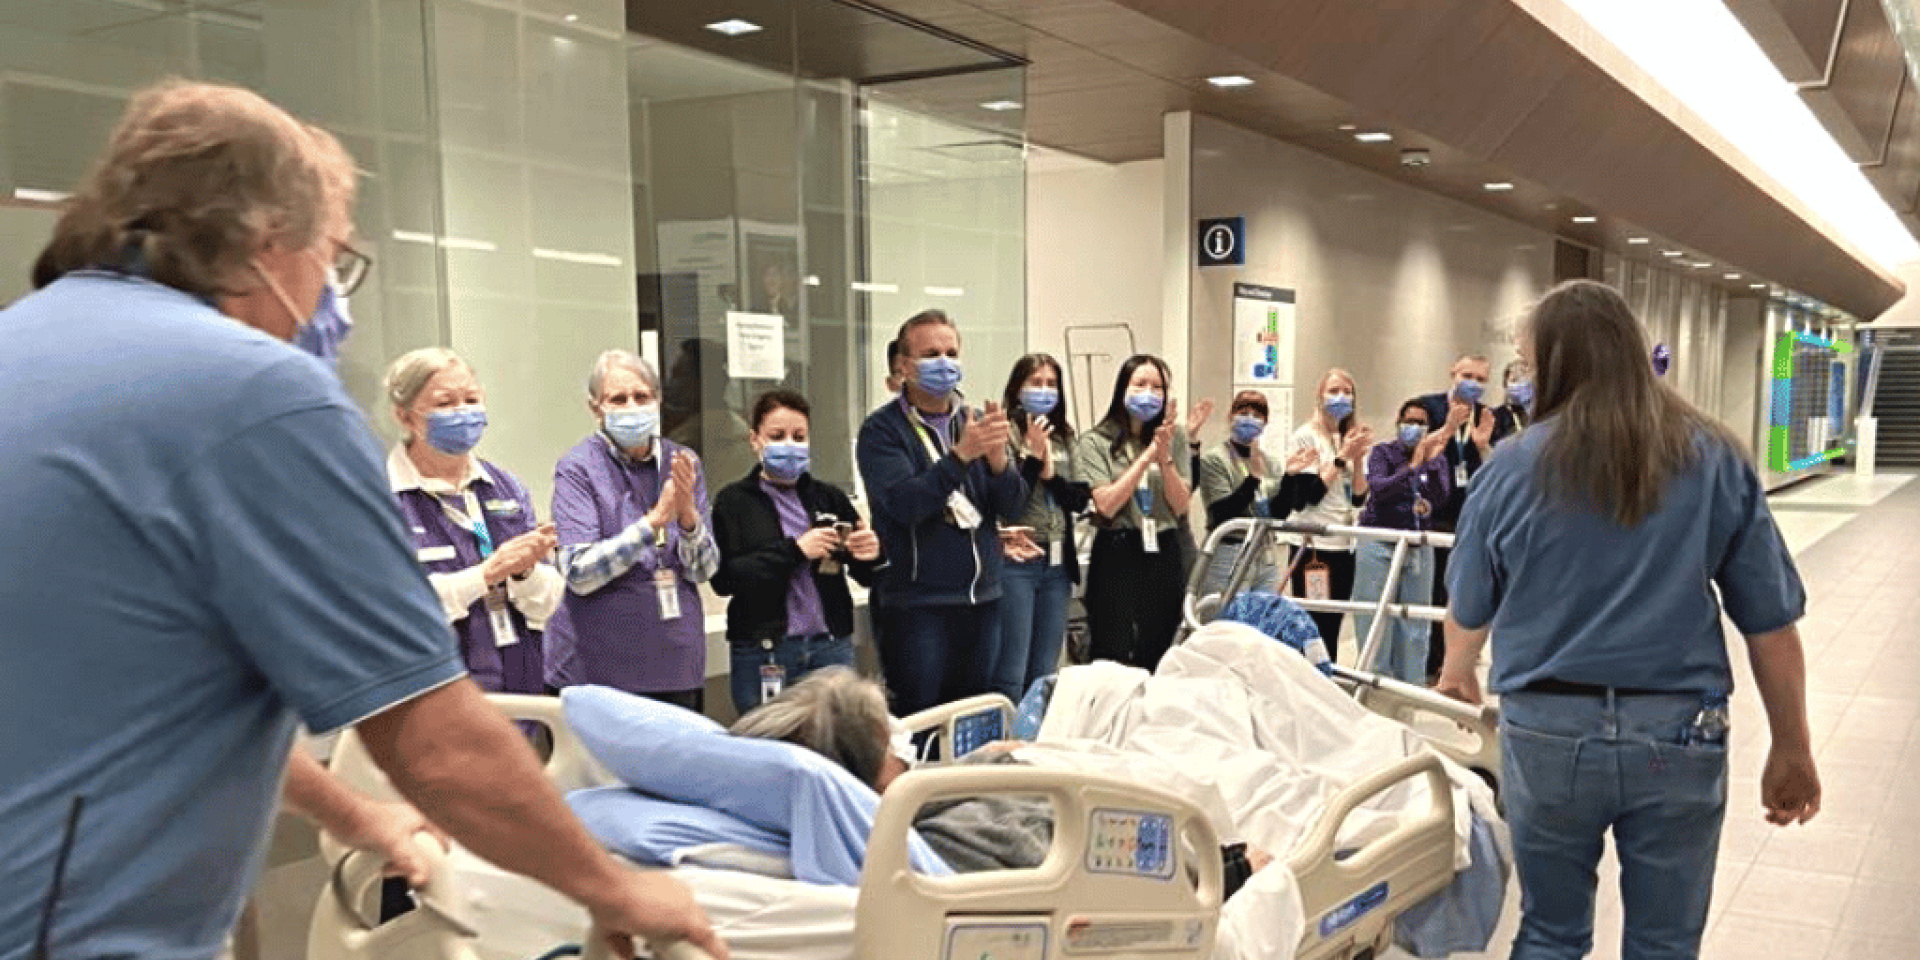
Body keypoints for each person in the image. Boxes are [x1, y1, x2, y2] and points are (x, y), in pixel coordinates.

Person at [0, 80, 722, 960]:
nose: (334, 299)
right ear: (270, 242)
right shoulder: (252, 394)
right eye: (335, 258)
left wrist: (364, 818)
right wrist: (615, 889)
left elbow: (143, 695)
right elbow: (430, 736)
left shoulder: (28, 346)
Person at [1437, 280, 1819, 960]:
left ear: (1552, 363)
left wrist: (1457, 672)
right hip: (1679, 733)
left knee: (1551, 933)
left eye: (1525, 363)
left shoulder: (1509, 469)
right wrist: (1792, 745)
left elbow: (1469, 606)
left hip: (1549, 733)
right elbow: (1770, 623)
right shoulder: (1714, 454)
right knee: (1666, 944)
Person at [731, 667, 1270, 895]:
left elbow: (928, 790)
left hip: (1059, 770)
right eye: (887, 736)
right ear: (864, 773)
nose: (902, 743)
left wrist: (990, 757)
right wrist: (1232, 871)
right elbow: (1114, 878)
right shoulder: (958, 835)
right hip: (1154, 839)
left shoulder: (910, 802)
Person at [856, 309, 1027, 713]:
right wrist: (962, 456)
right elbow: (905, 504)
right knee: (921, 721)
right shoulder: (882, 430)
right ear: (904, 365)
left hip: (981, 600)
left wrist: (1000, 461)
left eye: (951, 352)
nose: (945, 363)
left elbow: (1013, 506)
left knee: (971, 720)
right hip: (918, 605)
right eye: (932, 354)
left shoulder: (977, 421)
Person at [382, 347, 563, 694]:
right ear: (405, 417)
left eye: (471, 399)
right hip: (432, 693)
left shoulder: (506, 488)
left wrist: (524, 571)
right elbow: (393, 610)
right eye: (445, 403)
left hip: (518, 684)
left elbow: (548, 602)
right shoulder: (381, 496)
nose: (462, 413)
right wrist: (486, 575)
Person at [550, 350, 720, 712]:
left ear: (658, 401)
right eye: (618, 399)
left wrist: (688, 519)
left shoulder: (683, 461)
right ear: (595, 407)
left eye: (641, 397)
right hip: (599, 669)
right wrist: (653, 522)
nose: (631, 407)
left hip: (675, 664)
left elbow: (704, 570)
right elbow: (579, 572)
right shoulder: (577, 468)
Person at [712, 389, 885, 716]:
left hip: (829, 648)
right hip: (766, 651)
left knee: (835, 744)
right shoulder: (734, 502)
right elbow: (725, 578)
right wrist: (795, 550)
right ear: (755, 440)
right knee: (768, 746)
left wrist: (871, 552)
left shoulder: (828, 497)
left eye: (799, 436)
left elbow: (866, 574)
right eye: (777, 436)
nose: (789, 445)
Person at [1076, 354, 1192, 670]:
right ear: (1122, 389)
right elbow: (1107, 504)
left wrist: (1164, 457)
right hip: (1118, 548)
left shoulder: (1175, 436)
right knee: (1113, 647)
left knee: (1160, 644)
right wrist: (1146, 458)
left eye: (1158, 387)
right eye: (1140, 384)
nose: (1149, 393)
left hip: (1164, 547)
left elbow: (1181, 505)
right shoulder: (1094, 441)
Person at [991, 354, 1094, 701]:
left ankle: (1037, 739)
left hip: (1057, 564)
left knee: (1047, 668)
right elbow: (1008, 501)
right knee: (1012, 667)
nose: (1044, 391)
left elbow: (1080, 498)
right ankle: (1008, 737)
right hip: (1016, 562)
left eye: (1051, 384)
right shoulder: (1004, 435)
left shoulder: (1065, 436)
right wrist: (1034, 459)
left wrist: (1051, 477)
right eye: (1035, 383)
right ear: (1016, 389)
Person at [1415, 353, 1506, 681]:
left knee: (1461, 591)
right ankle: (1428, 663)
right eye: (1467, 375)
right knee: (1430, 590)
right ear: (1452, 372)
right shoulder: (1426, 408)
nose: (1473, 383)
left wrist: (1482, 446)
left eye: (1481, 379)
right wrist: (1449, 428)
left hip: (1471, 516)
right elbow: (1413, 453)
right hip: (1430, 512)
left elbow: (1501, 468)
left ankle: (1450, 662)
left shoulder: (1491, 418)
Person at [1350, 400, 1452, 684]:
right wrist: (1414, 464)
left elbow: (1441, 496)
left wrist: (1429, 465)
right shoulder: (1383, 453)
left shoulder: (1438, 458)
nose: (1414, 428)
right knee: (1374, 618)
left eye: (1421, 424)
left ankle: (1411, 686)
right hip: (1379, 541)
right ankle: (1374, 683)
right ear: (1398, 423)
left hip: (1418, 546)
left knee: (1415, 624)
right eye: (1409, 421)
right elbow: (1379, 490)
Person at [1195, 390, 1324, 599]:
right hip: (1230, 550)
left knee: (1263, 621)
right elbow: (1221, 514)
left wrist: (1289, 477)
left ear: (1265, 423)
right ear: (1230, 416)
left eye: (1257, 415)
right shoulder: (1215, 459)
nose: (1250, 419)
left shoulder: (1269, 461)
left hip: (1264, 552)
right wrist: (1253, 479)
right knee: (1228, 623)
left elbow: (1278, 513)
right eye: (1243, 412)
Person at [1285, 369, 1374, 657]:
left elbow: (1359, 497)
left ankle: (1329, 677)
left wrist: (1358, 460)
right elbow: (1307, 497)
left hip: (1343, 543)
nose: (1341, 398)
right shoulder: (1305, 437)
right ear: (1319, 396)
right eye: (1334, 391)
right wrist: (1342, 458)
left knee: (1335, 620)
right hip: (1313, 545)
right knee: (1312, 624)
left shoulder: (1349, 435)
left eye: (1347, 392)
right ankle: (1310, 680)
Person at [1494, 358, 1533, 441]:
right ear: (1505, 384)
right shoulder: (1496, 416)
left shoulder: (1542, 415)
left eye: (1525, 380)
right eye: (1514, 380)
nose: (1520, 384)